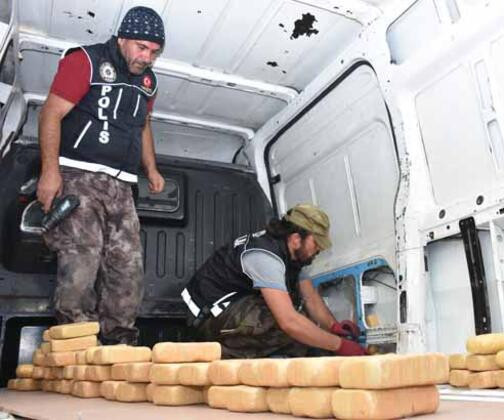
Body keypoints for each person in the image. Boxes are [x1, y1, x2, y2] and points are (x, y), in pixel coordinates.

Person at [36, 6, 166, 344]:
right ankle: (75, 339)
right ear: (122, 38)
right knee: (82, 258)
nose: (147, 57)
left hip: (123, 186)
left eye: (154, 52)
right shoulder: (86, 60)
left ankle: (119, 343)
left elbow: (144, 124)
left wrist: (151, 168)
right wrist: (50, 172)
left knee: (128, 267)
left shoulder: (149, 81)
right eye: (141, 47)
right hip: (80, 175)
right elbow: (50, 113)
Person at [181, 204, 367, 358]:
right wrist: (339, 345)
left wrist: (333, 327)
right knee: (287, 328)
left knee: (305, 327)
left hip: (235, 307)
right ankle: (218, 355)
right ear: (296, 239)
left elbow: (310, 298)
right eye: (316, 243)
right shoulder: (265, 257)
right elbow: (289, 322)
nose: (319, 249)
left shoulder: (293, 255)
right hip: (207, 318)